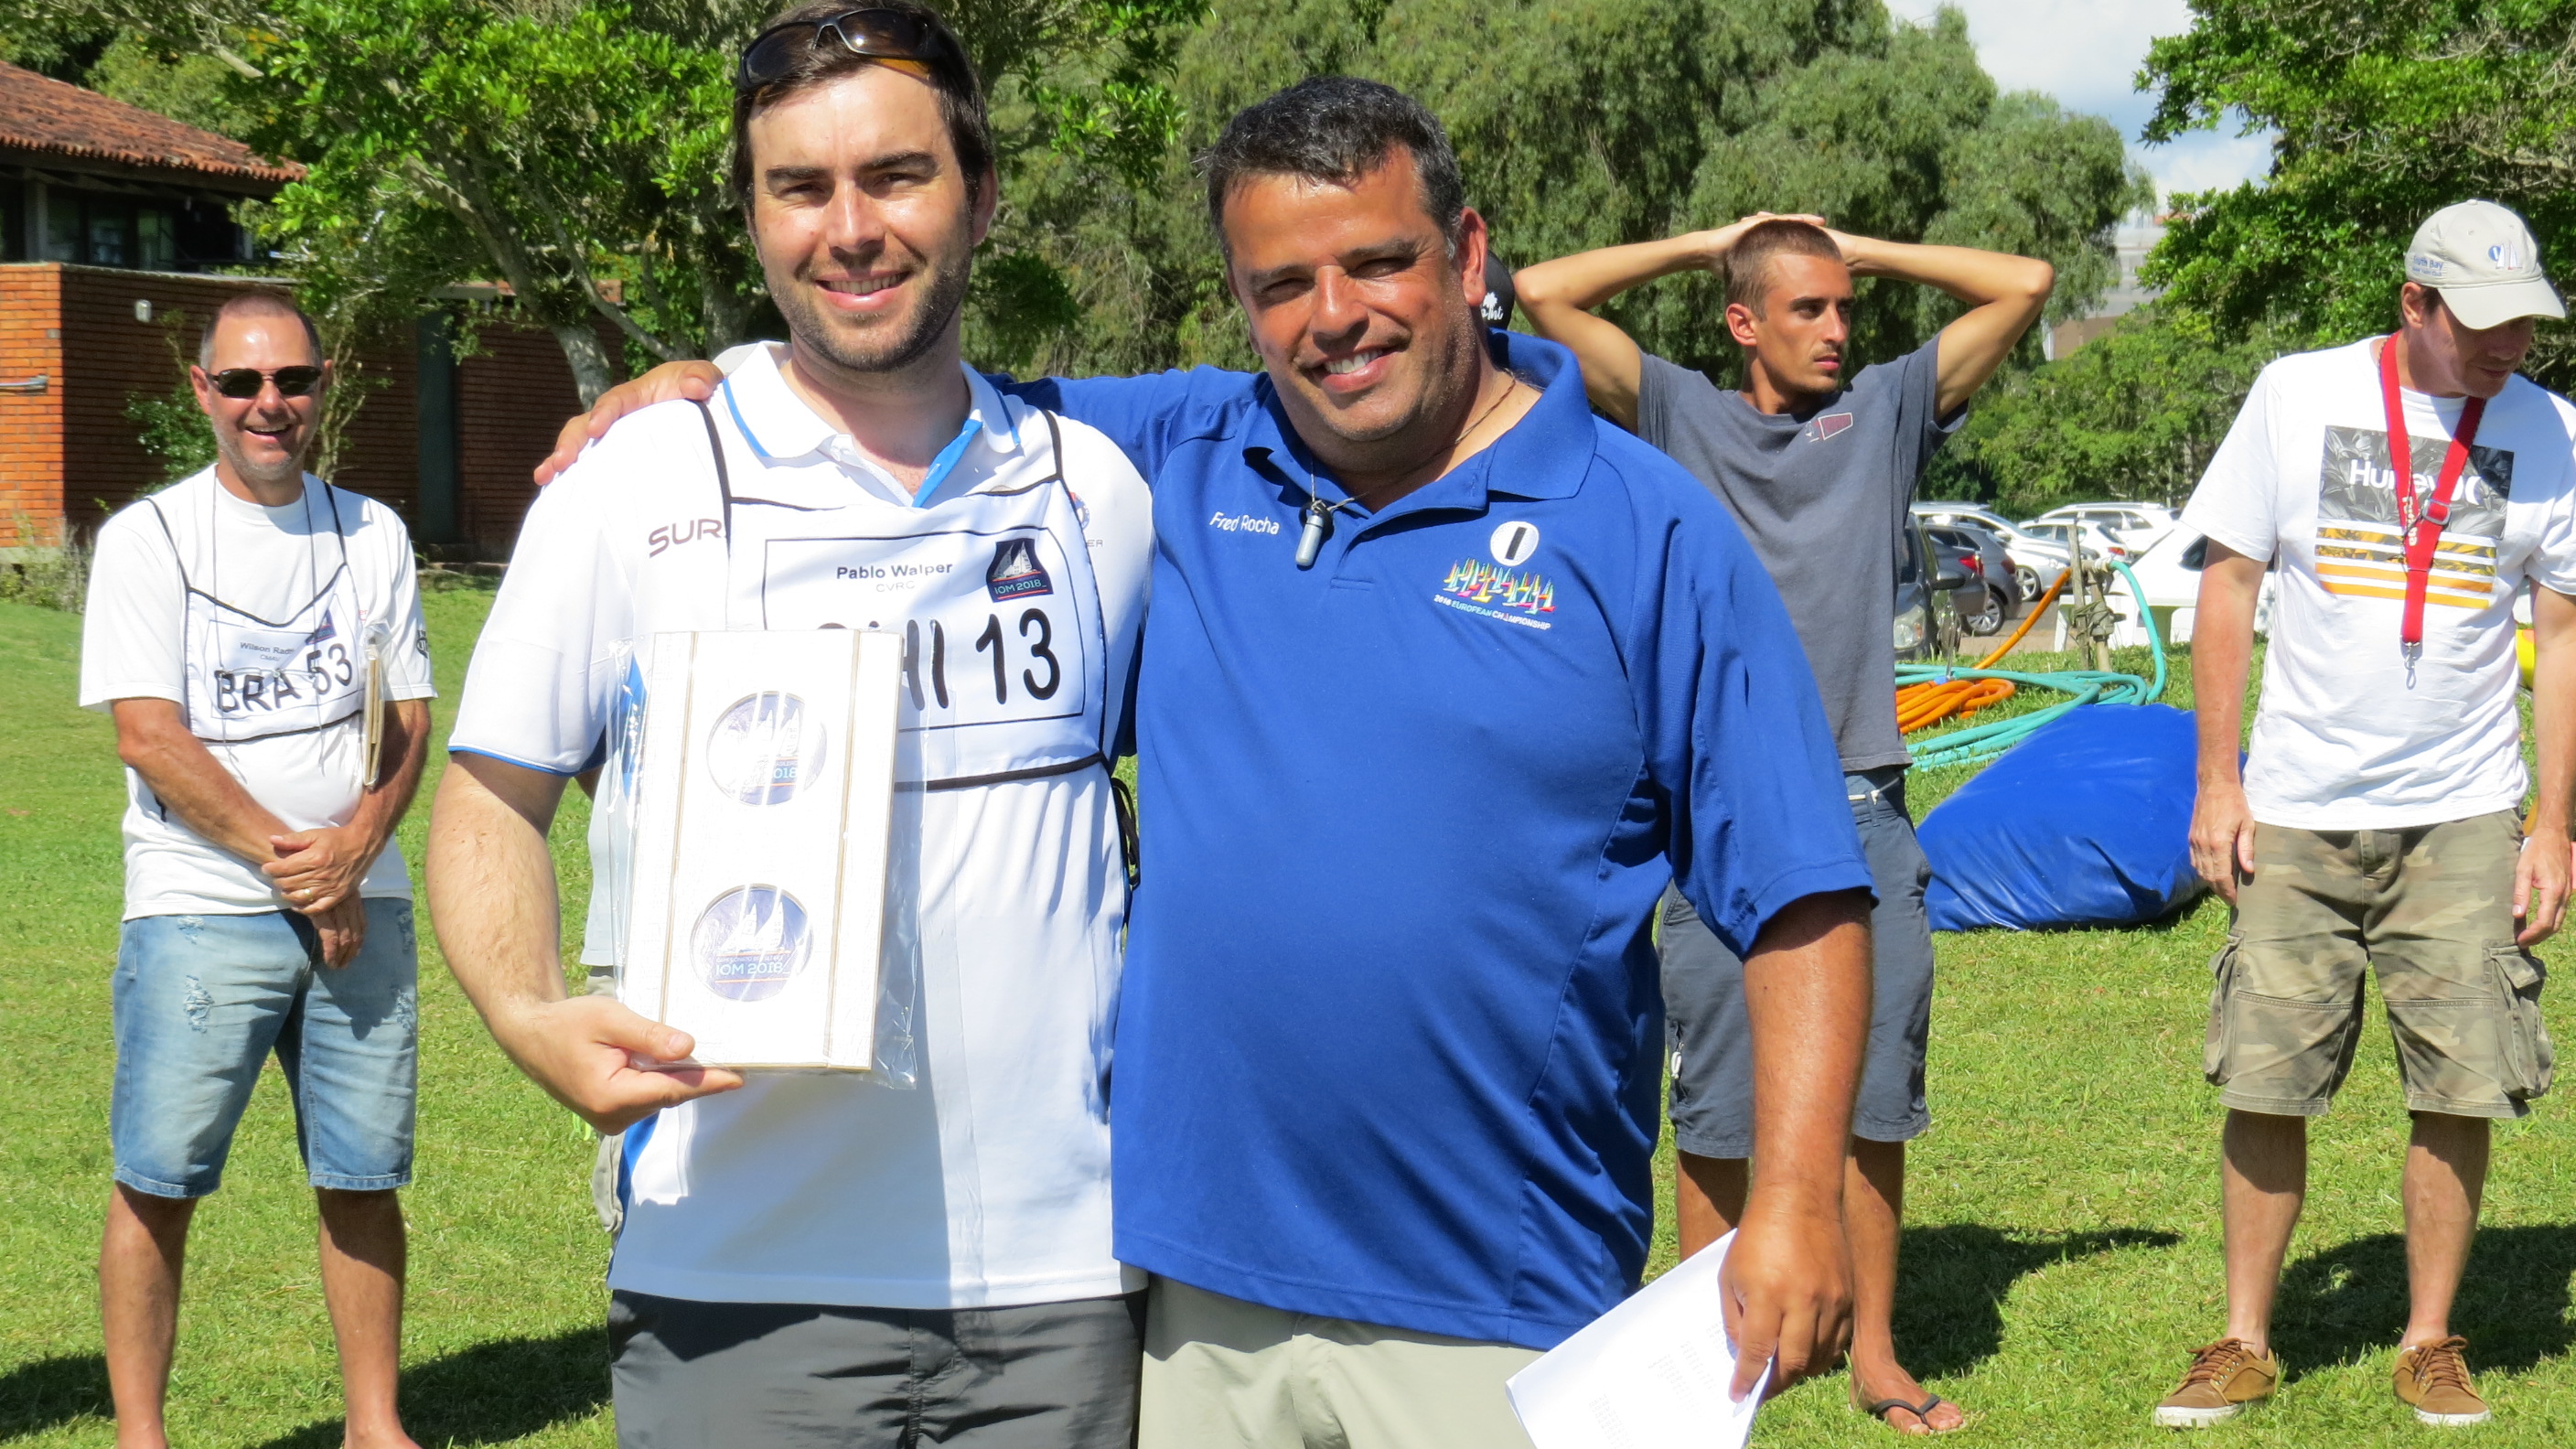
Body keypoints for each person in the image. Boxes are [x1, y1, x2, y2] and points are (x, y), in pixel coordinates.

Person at [546, 74, 1875, 1449]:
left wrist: (1791, 1202)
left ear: (1468, 253)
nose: (1334, 316)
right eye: (1281, 284)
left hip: (1494, 1303)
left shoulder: (1645, 528)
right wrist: (708, 396)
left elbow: (1804, 893)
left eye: (1378, 262)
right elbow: (897, 395)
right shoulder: (1176, 455)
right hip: (1189, 1305)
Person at [424, 5, 1154, 1445]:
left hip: (1065, 1282)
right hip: (736, 1276)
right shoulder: (633, 482)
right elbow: (492, 795)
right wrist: (526, 1014)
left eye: (896, 176)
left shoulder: (1097, 490)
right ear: (755, 218)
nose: (851, 229)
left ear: (981, 196)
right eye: (800, 188)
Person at [1515, 214, 2053, 1433]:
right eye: (1807, 308)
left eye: (1844, 308)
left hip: (1861, 805)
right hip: (1711, 819)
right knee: (1714, 1108)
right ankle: (1717, 1363)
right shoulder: (1679, 413)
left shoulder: (1885, 412)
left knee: (1874, 1100)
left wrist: (1865, 249)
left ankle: (1877, 1357)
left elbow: (2023, 281)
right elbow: (1543, 289)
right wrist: (1709, 242)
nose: (1836, 329)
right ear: (1742, 323)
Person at [2164, 199, 2574, 1431]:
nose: (2506, 347)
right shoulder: (2297, 394)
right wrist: (2218, 782)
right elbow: (2228, 585)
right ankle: (2241, 1340)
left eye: (2524, 323)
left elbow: (2561, 638)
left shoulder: (2553, 432)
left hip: (2463, 812)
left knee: (2459, 1082)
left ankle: (2429, 1340)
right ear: (2414, 303)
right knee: (2265, 1078)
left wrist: (2552, 826)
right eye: (2480, 322)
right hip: (2295, 805)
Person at [78, 290, 435, 1449]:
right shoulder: (150, 537)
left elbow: (408, 715)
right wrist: (306, 873)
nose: (267, 403)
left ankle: (374, 1427)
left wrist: (359, 848)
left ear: (325, 386)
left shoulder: (373, 532)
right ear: (202, 391)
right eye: (241, 382)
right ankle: (142, 1437)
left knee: (363, 1174)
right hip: (201, 905)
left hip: (362, 900)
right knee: (159, 1179)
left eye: (292, 379)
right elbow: (149, 737)